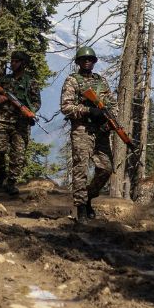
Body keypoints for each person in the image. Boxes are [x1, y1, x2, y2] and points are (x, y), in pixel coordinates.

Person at [60, 46, 114, 220]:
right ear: (78, 62)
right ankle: (81, 208)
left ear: (94, 62)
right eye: (84, 60)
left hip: (100, 131)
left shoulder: (102, 82)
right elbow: (66, 107)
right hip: (82, 130)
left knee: (106, 169)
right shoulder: (72, 81)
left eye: (90, 59)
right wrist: (88, 111)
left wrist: (109, 121)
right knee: (80, 169)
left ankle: (89, 196)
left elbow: (113, 105)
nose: (87, 62)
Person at [0, 50, 40, 195]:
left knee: (18, 156)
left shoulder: (31, 82)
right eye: (12, 61)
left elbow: (36, 102)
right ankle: (0, 175)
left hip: (21, 123)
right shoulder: (3, 80)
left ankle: (11, 182)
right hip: (2, 120)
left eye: (16, 61)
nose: (13, 63)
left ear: (23, 64)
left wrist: (29, 110)